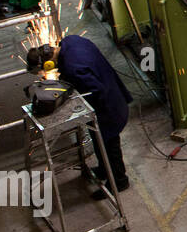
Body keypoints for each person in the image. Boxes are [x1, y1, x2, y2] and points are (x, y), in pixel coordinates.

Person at [27, 35, 132, 197]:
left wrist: (69, 101)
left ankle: (119, 181)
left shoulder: (72, 67)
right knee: (98, 140)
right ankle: (104, 170)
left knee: (109, 145)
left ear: (47, 64)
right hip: (111, 88)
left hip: (107, 107)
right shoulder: (71, 40)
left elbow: (96, 91)